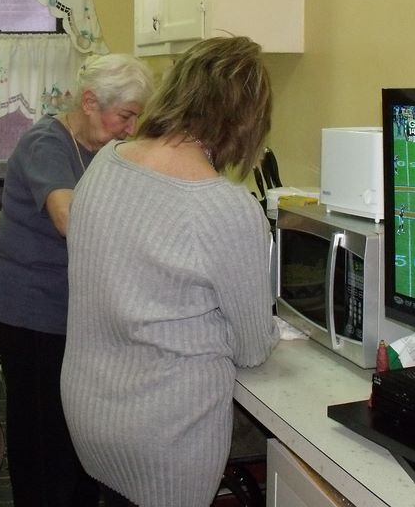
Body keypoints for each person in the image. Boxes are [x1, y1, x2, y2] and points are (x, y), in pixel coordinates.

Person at [61, 36, 280, 507]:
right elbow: (253, 349)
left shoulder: (105, 161)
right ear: (245, 121)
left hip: (92, 412)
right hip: (165, 437)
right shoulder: (226, 207)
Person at [0, 53, 154, 507]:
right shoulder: (46, 143)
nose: (131, 128)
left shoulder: (102, 150)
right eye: (125, 116)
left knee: (70, 424)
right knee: (42, 431)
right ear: (91, 102)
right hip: (29, 310)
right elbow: (68, 218)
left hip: (67, 308)